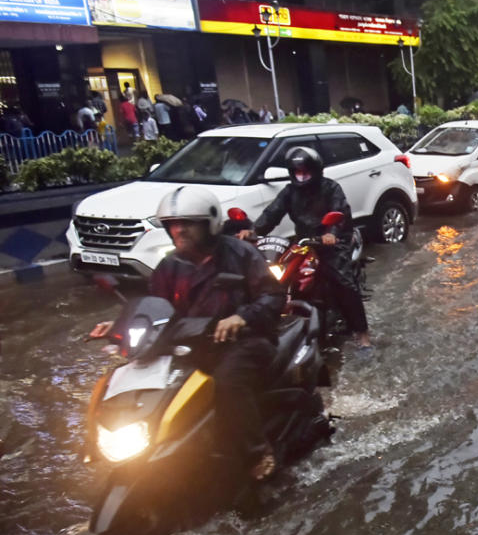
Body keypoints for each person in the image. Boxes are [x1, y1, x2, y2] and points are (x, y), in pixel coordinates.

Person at [89, 186, 285, 480]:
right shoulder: (169, 265)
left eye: (187, 223)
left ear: (209, 223)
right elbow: (154, 306)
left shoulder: (240, 253)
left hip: (243, 342)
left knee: (227, 383)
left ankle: (257, 450)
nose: (179, 230)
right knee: (125, 379)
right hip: (187, 343)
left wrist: (240, 317)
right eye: (173, 224)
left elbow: (273, 296)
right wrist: (119, 325)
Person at [238, 147, 374, 356]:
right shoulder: (289, 192)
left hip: (333, 240)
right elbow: (272, 213)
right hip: (304, 240)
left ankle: (362, 336)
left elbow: (340, 212)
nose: (301, 175)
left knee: (343, 282)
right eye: (297, 171)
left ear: (315, 170)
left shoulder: (331, 188)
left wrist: (331, 233)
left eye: (306, 171)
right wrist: (254, 231)